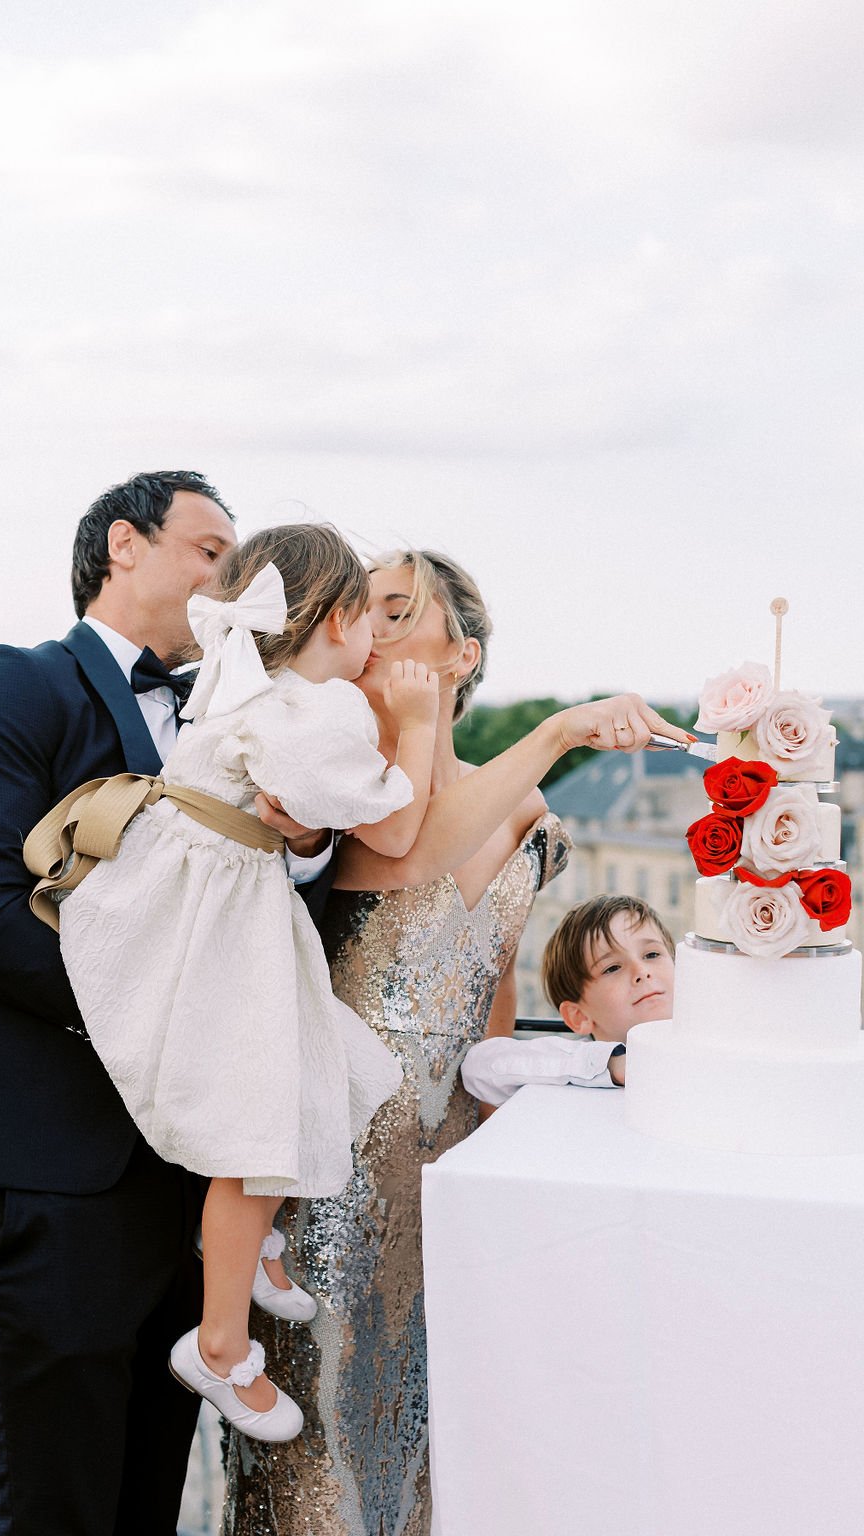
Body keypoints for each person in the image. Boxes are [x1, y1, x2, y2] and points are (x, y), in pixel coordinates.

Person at [0, 471, 331, 1536]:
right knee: (54, 1499)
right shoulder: (11, 684)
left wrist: (304, 843)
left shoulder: (246, 720)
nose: (236, 576)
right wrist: (164, 1024)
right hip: (52, 1168)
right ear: (123, 546)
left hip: (188, 1186)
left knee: (144, 1497)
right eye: (213, 549)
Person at [223, 550, 688, 1536]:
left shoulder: (525, 815)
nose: (370, 625)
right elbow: (413, 843)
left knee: (441, 1438)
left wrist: (490, 1150)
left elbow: (500, 986)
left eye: (395, 608)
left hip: (452, 1169)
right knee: (325, 1453)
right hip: (330, 1168)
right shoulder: (337, 796)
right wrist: (562, 729)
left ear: (459, 652)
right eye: (360, 610)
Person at [52, 524, 440, 1443]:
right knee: (260, 1118)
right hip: (225, 913)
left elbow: (289, 806)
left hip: (210, 897)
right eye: (369, 627)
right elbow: (390, 822)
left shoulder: (242, 681)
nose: (374, 647)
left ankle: (250, 1246)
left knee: (299, 1079)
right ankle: (220, 1345)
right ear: (339, 619)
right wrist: (416, 730)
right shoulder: (315, 709)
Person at [462, 894, 677, 1108]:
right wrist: (611, 1064)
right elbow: (479, 1066)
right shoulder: (571, 1068)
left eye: (652, 954)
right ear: (579, 1016)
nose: (642, 971)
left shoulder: (708, 1041)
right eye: (612, 968)